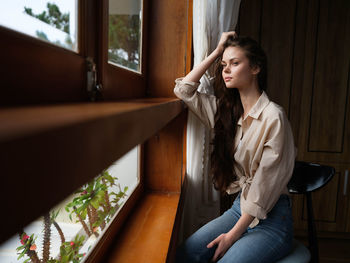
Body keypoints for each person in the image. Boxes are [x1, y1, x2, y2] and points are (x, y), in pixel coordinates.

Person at [174, 32, 296, 263]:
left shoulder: (274, 117)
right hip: (239, 210)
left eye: (235, 63)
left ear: (255, 68)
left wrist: (231, 237)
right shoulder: (226, 113)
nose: (226, 70)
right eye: (223, 65)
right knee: (186, 254)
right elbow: (184, 90)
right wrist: (217, 52)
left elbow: (263, 190)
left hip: (272, 220)